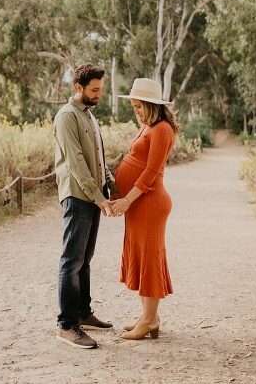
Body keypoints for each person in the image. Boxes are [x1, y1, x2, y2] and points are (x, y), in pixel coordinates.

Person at [110, 77, 179, 340]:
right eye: (134, 106)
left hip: (149, 203)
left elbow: (151, 171)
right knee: (141, 255)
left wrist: (127, 199)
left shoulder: (162, 129)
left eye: (139, 106)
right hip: (139, 204)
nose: (136, 111)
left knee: (149, 257)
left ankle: (149, 320)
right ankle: (149, 317)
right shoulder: (147, 126)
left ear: (152, 105)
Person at [54, 63, 116, 349]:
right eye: (94, 90)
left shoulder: (89, 115)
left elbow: (99, 158)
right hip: (78, 196)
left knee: (85, 259)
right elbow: (77, 163)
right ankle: (67, 324)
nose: (99, 95)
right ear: (78, 88)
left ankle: (83, 312)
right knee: (72, 260)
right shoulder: (66, 117)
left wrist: (110, 187)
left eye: (101, 90)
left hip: (94, 196)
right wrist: (98, 196)